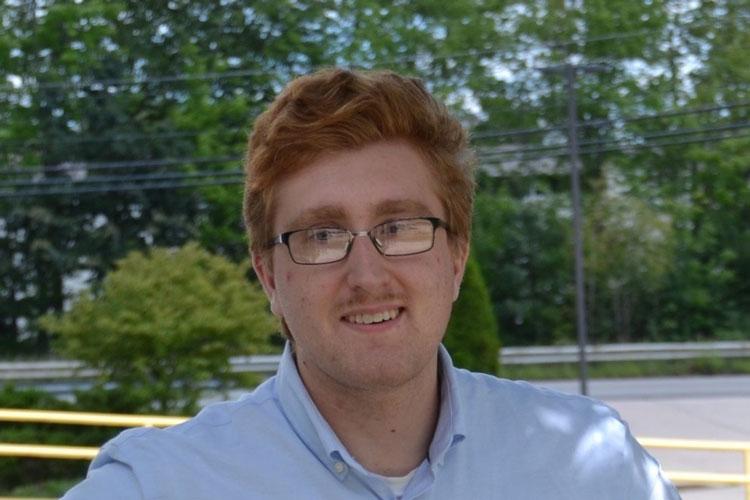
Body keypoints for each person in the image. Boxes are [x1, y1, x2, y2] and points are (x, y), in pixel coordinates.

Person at [63, 68, 680, 500]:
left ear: (457, 258)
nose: (367, 275)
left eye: (401, 226)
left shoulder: (598, 466)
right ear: (269, 277)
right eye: (322, 236)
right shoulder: (159, 485)